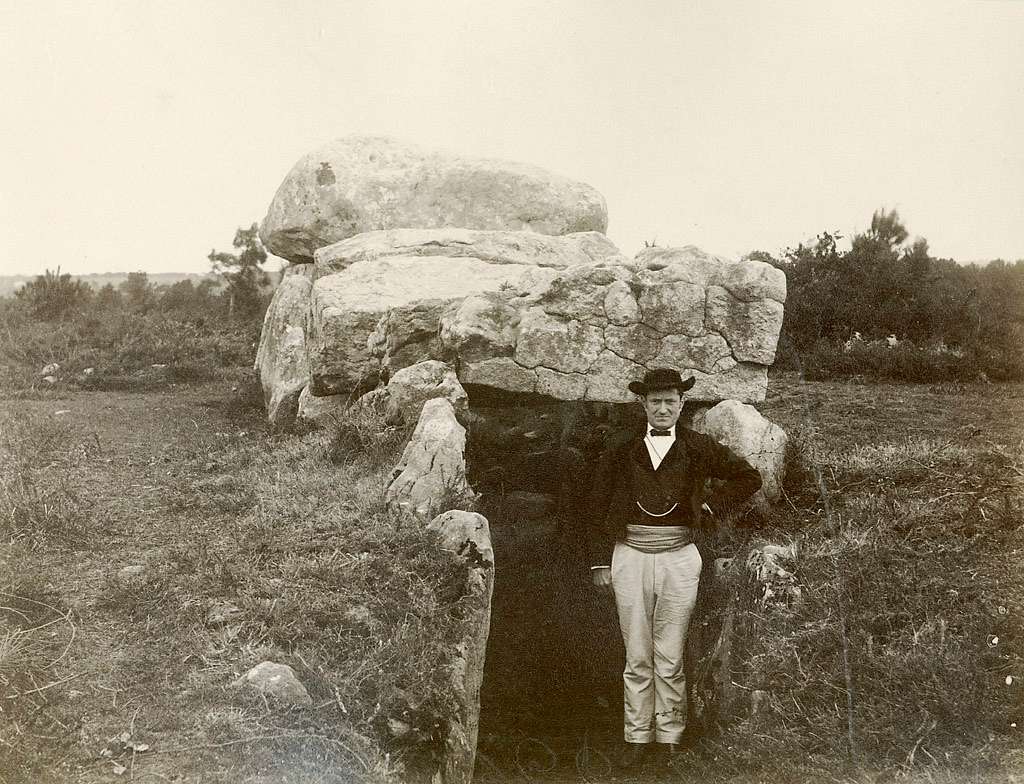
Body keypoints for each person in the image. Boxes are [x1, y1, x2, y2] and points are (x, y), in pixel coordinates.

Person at [586, 367, 762, 767]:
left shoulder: (698, 446)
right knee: (637, 651)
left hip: (680, 557)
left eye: (670, 401)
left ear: (682, 404)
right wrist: (601, 561)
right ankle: (636, 736)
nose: (663, 408)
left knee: (669, 651)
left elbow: (748, 477)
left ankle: (668, 737)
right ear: (643, 404)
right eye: (655, 401)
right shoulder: (619, 447)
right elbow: (595, 506)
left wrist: (711, 507)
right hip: (628, 554)